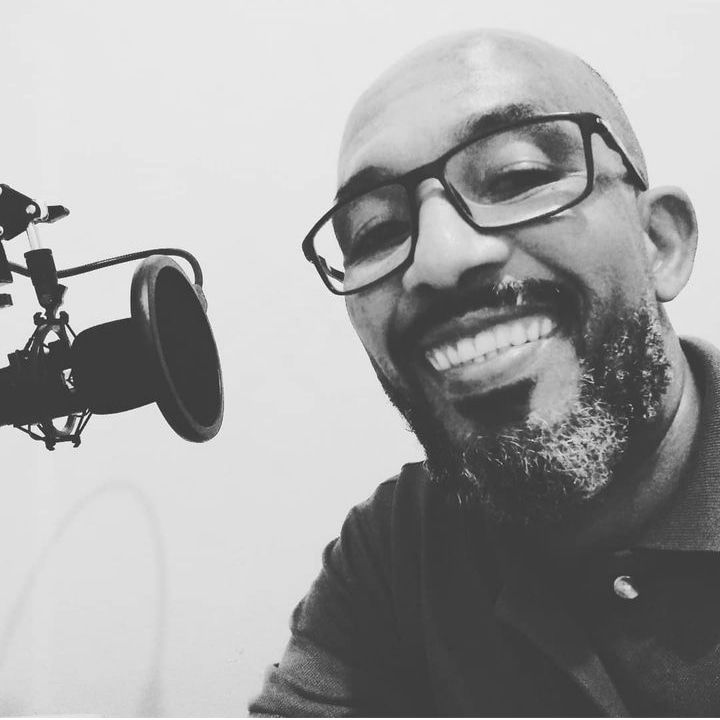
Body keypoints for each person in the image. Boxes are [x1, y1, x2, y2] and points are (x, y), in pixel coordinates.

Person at [250, 29, 720, 716]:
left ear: (660, 242)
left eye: (517, 177)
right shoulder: (394, 551)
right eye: (377, 231)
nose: (440, 258)